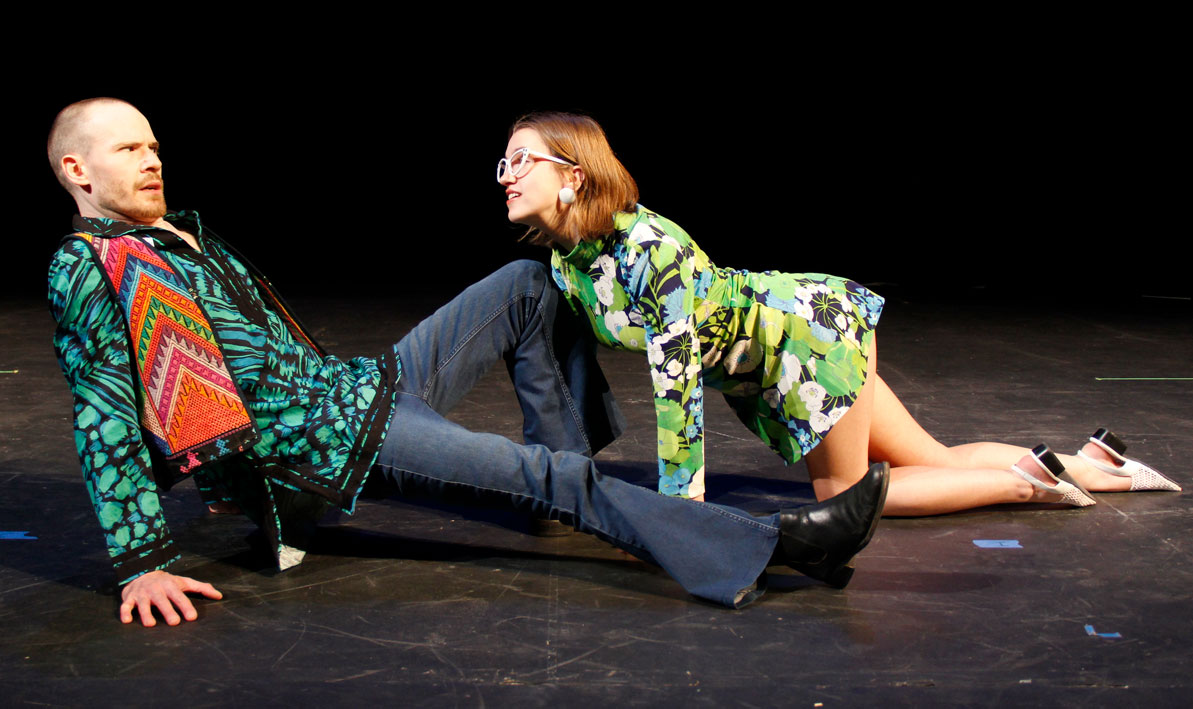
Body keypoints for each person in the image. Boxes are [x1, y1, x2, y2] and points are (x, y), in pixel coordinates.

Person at [45, 98, 891, 626]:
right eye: (127, 151)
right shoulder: (90, 263)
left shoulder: (176, 234)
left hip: (351, 391)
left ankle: (561, 473)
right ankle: (770, 545)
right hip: (322, 442)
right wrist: (142, 560)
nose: (151, 158)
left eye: (152, 144)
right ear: (77, 170)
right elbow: (104, 410)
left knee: (528, 283)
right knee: (549, 480)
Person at [495, 111, 1181, 516]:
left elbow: (675, 390)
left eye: (521, 159)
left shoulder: (649, 250)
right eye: (503, 161)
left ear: (573, 173)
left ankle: (1022, 484)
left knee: (842, 492)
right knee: (932, 458)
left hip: (807, 337)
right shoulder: (572, 260)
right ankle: (1095, 464)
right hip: (785, 351)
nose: (506, 173)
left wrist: (681, 513)